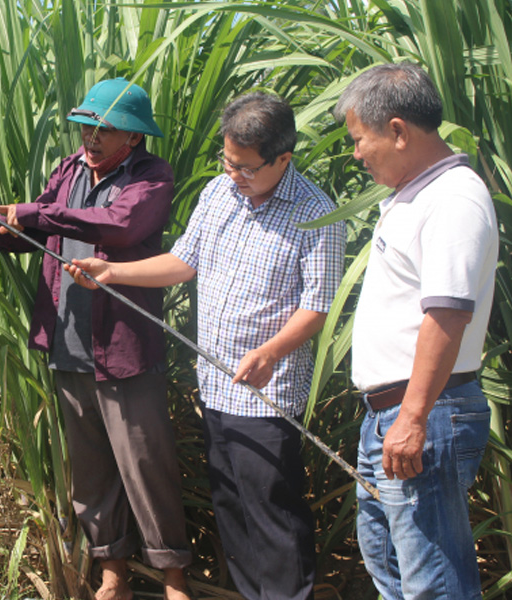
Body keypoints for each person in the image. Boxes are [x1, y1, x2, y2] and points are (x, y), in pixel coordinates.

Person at [67, 92, 346, 600]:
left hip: (266, 392)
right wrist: (113, 272)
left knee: (272, 513)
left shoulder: (317, 215)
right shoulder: (219, 193)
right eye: (228, 161)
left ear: (283, 158)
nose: (234, 174)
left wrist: (270, 353)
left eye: (246, 167)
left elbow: (317, 308)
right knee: (233, 510)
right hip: (216, 386)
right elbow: (182, 262)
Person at [0, 78, 191, 600]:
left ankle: (175, 580)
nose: (90, 137)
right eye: (85, 126)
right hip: (69, 344)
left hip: (123, 349)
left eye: (103, 129)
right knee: (91, 473)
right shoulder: (69, 169)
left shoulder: (150, 176)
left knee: (146, 467)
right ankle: (114, 575)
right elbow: (36, 230)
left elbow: (119, 225)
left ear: (132, 137)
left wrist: (28, 211)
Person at [333, 62, 498, 599]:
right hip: (394, 415)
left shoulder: (452, 198)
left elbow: (447, 314)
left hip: (424, 413)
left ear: (398, 131)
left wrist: (412, 416)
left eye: (361, 139)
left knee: (433, 582)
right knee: (392, 569)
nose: (356, 153)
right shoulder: (415, 195)